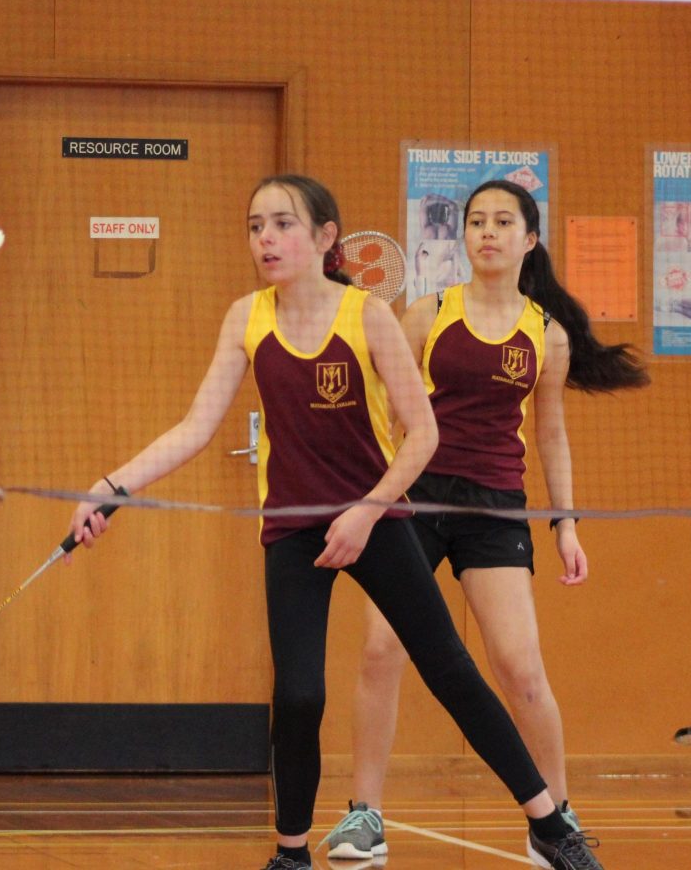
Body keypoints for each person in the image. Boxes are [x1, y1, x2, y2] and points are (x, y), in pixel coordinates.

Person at [68, 175, 605, 870]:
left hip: (377, 515)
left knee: (451, 669)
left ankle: (546, 819)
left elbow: (422, 434)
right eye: (256, 226)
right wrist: (109, 488)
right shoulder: (246, 317)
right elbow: (195, 427)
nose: (266, 238)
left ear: (325, 239)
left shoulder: (369, 316)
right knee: (297, 693)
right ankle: (293, 853)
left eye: (283, 224)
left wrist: (369, 510)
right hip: (293, 527)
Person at [326, 179, 647, 867]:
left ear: (529, 239)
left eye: (504, 222)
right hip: (415, 499)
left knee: (520, 667)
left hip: (495, 505)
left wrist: (565, 526)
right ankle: (365, 816)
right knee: (382, 650)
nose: (488, 232)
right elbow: (383, 409)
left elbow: (552, 436)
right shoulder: (429, 313)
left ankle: (555, 820)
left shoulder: (547, 334)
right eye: (477, 222)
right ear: (464, 237)